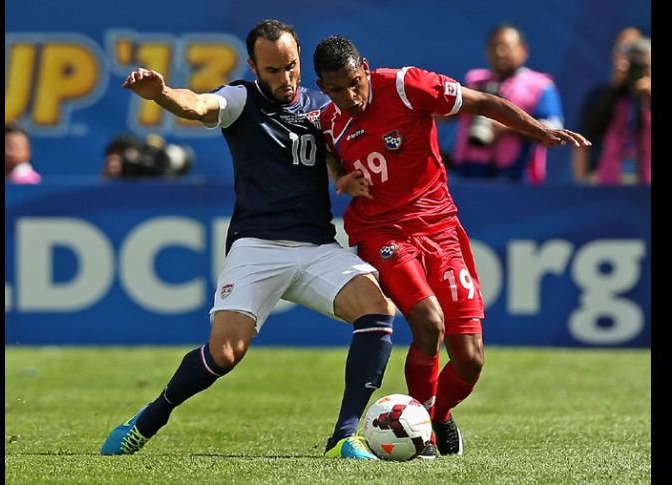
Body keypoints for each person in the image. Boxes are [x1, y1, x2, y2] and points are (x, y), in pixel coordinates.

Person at [100, 20, 397, 460]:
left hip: (317, 246)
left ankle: (345, 436)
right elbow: (199, 105)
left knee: (377, 310)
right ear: (254, 66)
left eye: (291, 67)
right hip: (258, 246)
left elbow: (330, 154)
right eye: (273, 70)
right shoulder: (241, 99)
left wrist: (343, 176)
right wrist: (163, 94)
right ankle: (148, 419)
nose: (285, 78)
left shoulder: (322, 105)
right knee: (224, 353)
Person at [313, 35, 589, 456]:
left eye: (354, 83)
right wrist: (339, 177)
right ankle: (420, 434)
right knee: (428, 322)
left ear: (365, 68)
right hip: (381, 232)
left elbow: (480, 103)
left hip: (440, 227)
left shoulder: (407, 86)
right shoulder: (328, 121)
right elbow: (328, 155)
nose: (349, 96)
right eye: (336, 89)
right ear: (323, 85)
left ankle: (437, 416)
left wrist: (538, 132)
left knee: (470, 358)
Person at [448, 25, 565, 184]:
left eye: (506, 47)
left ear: (523, 49)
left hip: (518, 179)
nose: (500, 52)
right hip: (469, 177)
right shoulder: (473, 81)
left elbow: (554, 130)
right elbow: (446, 114)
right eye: (494, 46)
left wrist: (508, 127)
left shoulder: (541, 85)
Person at [572, 30, 650, 185]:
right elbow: (587, 134)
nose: (629, 57)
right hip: (605, 180)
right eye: (624, 49)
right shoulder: (599, 95)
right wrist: (613, 89)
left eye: (635, 51)